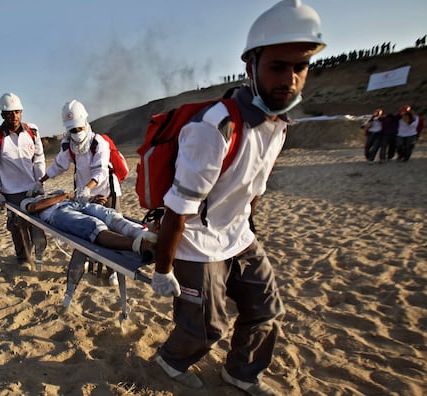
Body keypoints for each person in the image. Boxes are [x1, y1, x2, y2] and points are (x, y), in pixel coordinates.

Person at [150, 0, 326, 394]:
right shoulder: (217, 127)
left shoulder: (278, 124)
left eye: (300, 67)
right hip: (196, 243)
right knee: (206, 327)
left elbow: (254, 189)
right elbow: (177, 209)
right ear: (251, 67)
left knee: (266, 311)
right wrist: (164, 270)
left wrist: (247, 231)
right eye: (278, 67)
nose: (291, 79)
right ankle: (169, 360)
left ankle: (242, 373)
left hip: (238, 236)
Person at [40, 100, 123, 285]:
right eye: (72, 130)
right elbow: (59, 165)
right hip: (86, 194)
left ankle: (114, 271)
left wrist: (88, 188)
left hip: (106, 191)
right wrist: (40, 181)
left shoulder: (98, 142)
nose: (76, 133)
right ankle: (93, 262)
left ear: (85, 121)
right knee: (91, 228)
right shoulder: (68, 144)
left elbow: (100, 171)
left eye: (78, 128)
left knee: (112, 230)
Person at [0, 92, 47, 270]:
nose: (15, 116)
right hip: (11, 192)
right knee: (17, 227)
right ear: (3, 115)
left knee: (37, 225)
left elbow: (39, 158)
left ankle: (38, 255)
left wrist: (39, 182)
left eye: (18, 112)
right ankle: (24, 259)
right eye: (10, 113)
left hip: (33, 188)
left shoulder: (32, 131)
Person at [19, 191, 155, 256]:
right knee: (92, 225)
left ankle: (144, 234)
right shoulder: (28, 201)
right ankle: (138, 245)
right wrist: (64, 196)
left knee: (109, 215)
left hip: (77, 204)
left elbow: (76, 197)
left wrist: (93, 199)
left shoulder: (54, 192)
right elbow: (34, 208)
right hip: (57, 214)